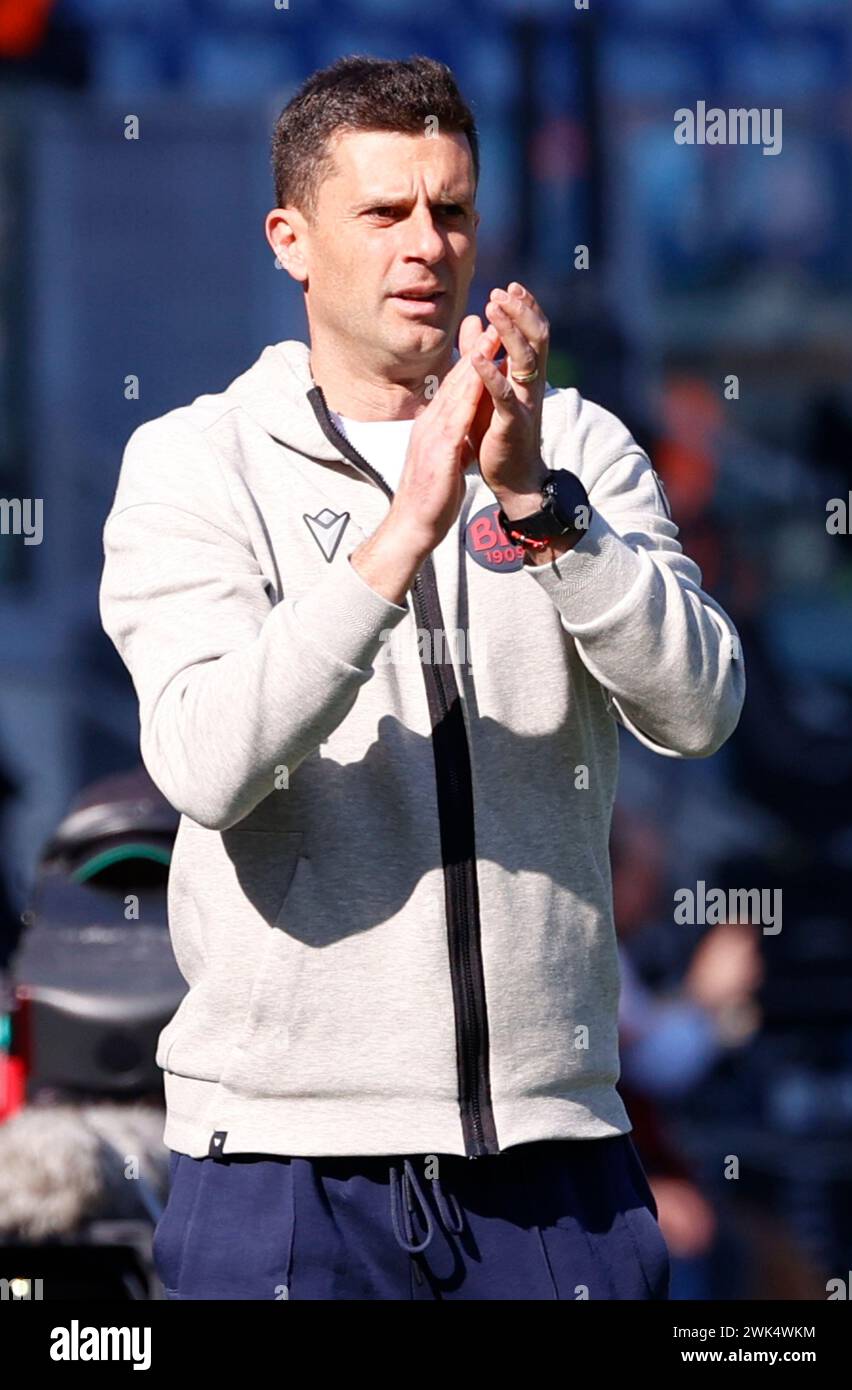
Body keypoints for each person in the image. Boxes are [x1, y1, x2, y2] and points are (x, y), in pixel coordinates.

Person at [98, 54, 745, 1301]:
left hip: (553, 1153)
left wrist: (532, 505)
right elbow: (206, 760)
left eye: (449, 211)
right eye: (382, 212)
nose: (424, 246)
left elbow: (700, 707)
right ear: (290, 238)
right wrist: (403, 532)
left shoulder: (576, 450)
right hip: (286, 1163)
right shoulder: (194, 462)